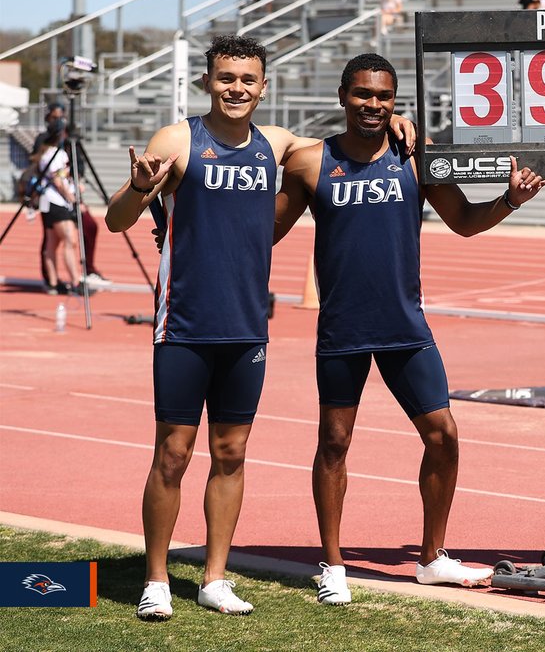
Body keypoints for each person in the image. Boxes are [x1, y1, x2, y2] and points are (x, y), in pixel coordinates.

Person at [105, 35, 414, 622]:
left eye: (247, 80)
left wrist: (399, 120)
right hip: (185, 324)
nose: (236, 89)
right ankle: (156, 578)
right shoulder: (178, 140)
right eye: (225, 78)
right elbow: (119, 219)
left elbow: (355, 133)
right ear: (207, 81)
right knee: (173, 454)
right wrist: (143, 186)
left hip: (247, 328)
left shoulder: (277, 145)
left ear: (263, 86)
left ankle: (214, 579)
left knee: (231, 452)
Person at [272, 54, 545, 605]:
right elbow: (263, 234)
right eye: (362, 94)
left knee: (443, 434)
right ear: (342, 96)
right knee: (334, 441)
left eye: (382, 96)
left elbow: (465, 222)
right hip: (343, 328)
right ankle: (332, 564)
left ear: (394, 101)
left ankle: (431, 558)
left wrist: (509, 201)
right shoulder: (311, 164)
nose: (372, 105)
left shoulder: (416, 156)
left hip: (405, 324)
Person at [33, 122, 83, 295]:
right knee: (70, 240)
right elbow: (57, 180)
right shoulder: (54, 154)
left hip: (52, 201)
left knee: (53, 242)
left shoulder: (52, 153)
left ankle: (53, 282)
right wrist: (72, 197)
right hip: (56, 201)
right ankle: (75, 281)